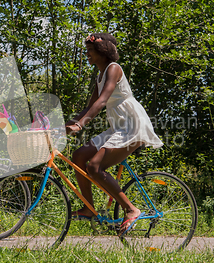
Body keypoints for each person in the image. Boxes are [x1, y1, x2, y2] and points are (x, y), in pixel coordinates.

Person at [65, 33, 163, 235]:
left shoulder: (114, 69)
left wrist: (82, 124)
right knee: (79, 156)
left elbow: (102, 102)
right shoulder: (99, 75)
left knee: (94, 166)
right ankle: (88, 208)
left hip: (131, 125)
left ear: (102, 51)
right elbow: (90, 106)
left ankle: (131, 209)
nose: (87, 55)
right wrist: (66, 125)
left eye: (91, 51)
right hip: (118, 127)